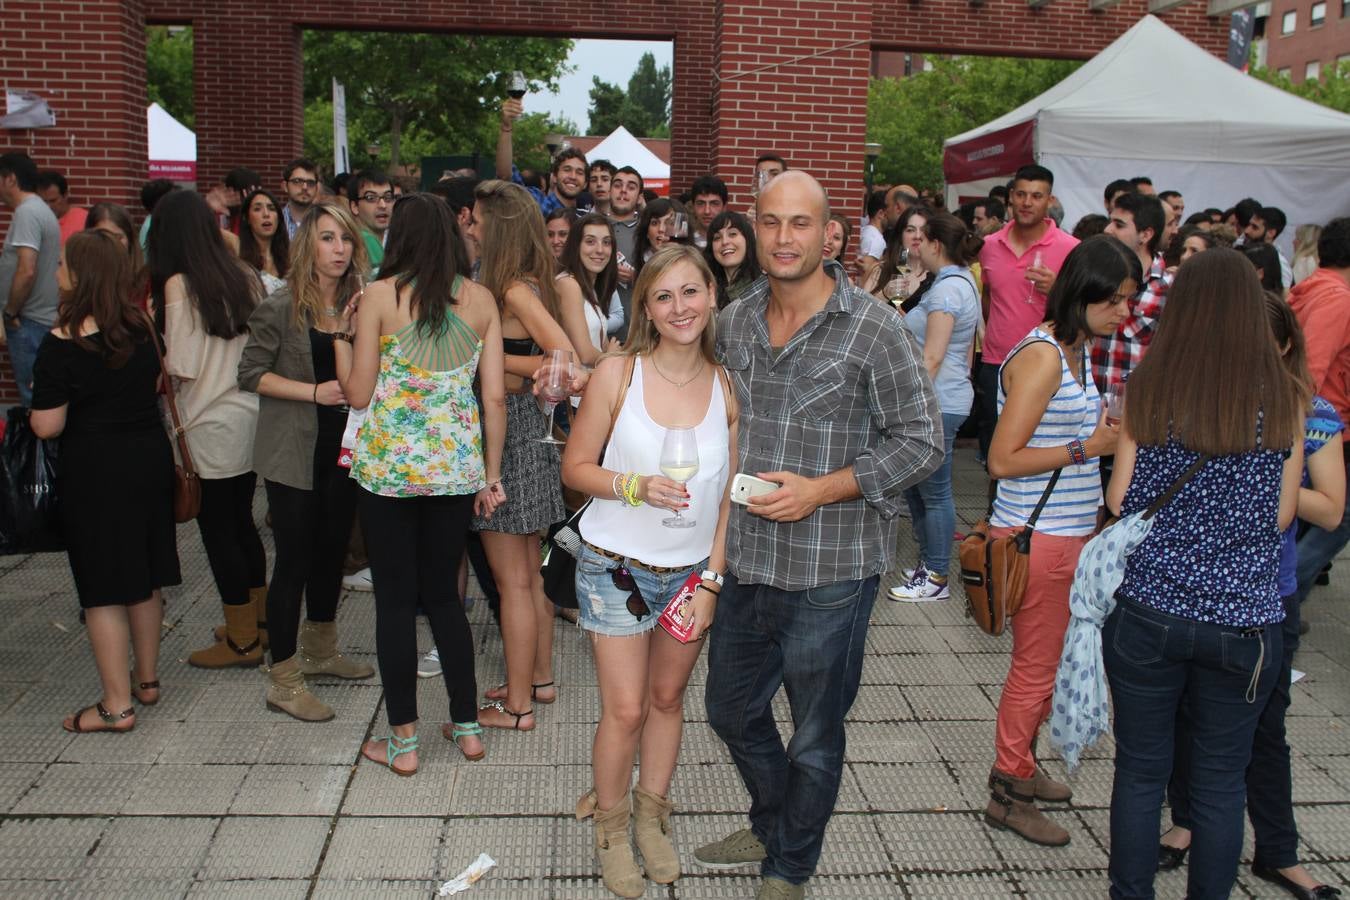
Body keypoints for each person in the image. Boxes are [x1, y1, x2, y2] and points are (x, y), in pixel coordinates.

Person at [696, 171, 942, 900]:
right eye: (770, 222)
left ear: (828, 232)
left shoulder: (873, 326)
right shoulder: (735, 320)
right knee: (731, 712)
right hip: (746, 561)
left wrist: (823, 490)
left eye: (799, 223)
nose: (782, 237)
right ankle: (777, 820)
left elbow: (923, 442)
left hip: (833, 571)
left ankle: (789, 866)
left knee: (813, 734)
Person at [1102, 247, 1304, 900]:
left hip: (1148, 611)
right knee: (1221, 782)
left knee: (1139, 772)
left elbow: (1120, 500)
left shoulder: (1151, 387)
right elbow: (1281, 517)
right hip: (1244, 621)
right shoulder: (1284, 400)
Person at [1157, 293, 1345, 900]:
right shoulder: (1207, 402)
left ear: (1285, 344)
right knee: (1188, 717)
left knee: (1266, 729)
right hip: (1200, 587)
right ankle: (1186, 823)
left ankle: (1279, 851)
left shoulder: (1310, 412)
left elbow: (1332, 507)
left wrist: (1268, 478)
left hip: (1272, 592)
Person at [562, 245, 735, 897]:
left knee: (668, 700)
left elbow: (729, 501)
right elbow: (575, 468)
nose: (679, 307)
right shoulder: (618, 373)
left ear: (712, 297)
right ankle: (611, 829)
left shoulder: (727, 383)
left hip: (692, 576)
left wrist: (714, 581)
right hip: (617, 571)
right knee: (627, 709)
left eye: (690, 292)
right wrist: (634, 486)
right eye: (663, 297)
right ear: (646, 309)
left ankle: (651, 815)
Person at [335, 192, 506, 775]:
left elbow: (357, 394)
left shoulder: (380, 297)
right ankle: (467, 728)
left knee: (394, 602)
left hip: (388, 473)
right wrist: (493, 472)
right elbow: (495, 396)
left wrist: (343, 330)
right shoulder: (481, 299)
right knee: (446, 600)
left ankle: (403, 745)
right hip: (455, 472)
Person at [982, 235, 1136, 845]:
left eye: (1130, 299)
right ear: (1086, 293)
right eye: (1117, 300)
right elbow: (999, 459)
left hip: (1066, 533)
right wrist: (1087, 449)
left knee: (1043, 667)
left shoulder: (1076, 352)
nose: (1125, 311)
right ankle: (1008, 788)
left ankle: (1023, 767)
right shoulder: (1046, 357)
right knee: (1034, 670)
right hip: (1036, 537)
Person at [30, 230, 181, 732]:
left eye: (62, 265)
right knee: (144, 574)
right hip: (149, 460)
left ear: (81, 274)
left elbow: (47, 425)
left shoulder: (61, 342)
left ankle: (115, 706)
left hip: (95, 469)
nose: (56, 273)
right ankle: (148, 680)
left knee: (102, 588)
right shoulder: (141, 325)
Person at [238, 200, 375, 723]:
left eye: (344, 239)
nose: (338, 249)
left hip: (345, 450)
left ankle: (321, 650)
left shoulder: (363, 303)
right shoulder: (281, 305)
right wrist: (313, 392)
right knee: (293, 559)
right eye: (326, 238)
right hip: (294, 449)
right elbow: (249, 373)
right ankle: (284, 676)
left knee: (332, 551)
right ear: (306, 244)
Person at [464, 179, 575, 732]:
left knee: (514, 581)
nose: (470, 226)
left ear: (496, 228)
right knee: (529, 576)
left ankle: (517, 708)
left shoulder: (511, 290)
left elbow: (566, 358)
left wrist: (501, 368)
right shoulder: (520, 285)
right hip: (526, 434)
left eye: (478, 219)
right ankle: (538, 680)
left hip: (508, 439)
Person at [146, 190, 268, 669]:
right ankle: (258, 623)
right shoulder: (244, 274)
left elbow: (182, 363)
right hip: (249, 416)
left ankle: (241, 642)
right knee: (243, 525)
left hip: (206, 424)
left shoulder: (180, 283)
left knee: (219, 533)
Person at [888, 212, 983, 602]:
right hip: (942, 399)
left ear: (936, 245)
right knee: (922, 489)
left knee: (935, 492)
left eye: (921, 239)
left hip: (936, 402)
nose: (916, 245)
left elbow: (933, 357)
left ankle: (937, 575)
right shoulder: (955, 283)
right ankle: (930, 565)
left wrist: (905, 403)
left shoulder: (947, 291)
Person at [976, 165, 1079, 467]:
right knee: (994, 457)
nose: (1027, 202)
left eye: (1036, 196)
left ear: (1050, 201)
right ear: (1010, 197)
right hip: (995, 364)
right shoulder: (990, 246)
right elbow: (988, 297)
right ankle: (996, 513)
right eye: (1021, 194)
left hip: (1048, 368)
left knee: (1037, 454)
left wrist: (1057, 289)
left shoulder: (1071, 249)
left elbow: (1083, 309)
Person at [1286, 219, 1350, 621]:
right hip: (1322, 428)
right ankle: (1284, 597)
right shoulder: (1336, 297)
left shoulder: (1311, 289)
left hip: (1315, 425)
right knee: (1334, 518)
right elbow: (1310, 371)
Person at [0, 151, 62, 407]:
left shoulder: (27, 213)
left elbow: (27, 269)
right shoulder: (38, 210)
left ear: (10, 179)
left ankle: (38, 449)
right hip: (37, 320)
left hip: (30, 321)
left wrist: (11, 312)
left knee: (35, 402)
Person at [1094, 190, 1169, 395]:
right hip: (1089, 406)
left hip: (1135, 408)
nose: (1108, 229)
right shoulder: (1096, 275)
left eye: (1119, 225)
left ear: (1146, 234)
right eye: (1110, 221)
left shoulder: (1169, 288)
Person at [496, 97, 587, 215]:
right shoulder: (538, 204)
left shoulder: (585, 218)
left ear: (585, 183)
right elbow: (505, 178)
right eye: (567, 169)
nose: (573, 176)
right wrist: (506, 128)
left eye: (579, 172)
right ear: (554, 176)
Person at [559, 212, 624, 360]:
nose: (600, 250)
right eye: (590, 241)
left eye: (606, 242)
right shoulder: (568, 284)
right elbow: (585, 355)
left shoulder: (591, 286)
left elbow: (601, 343)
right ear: (576, 246)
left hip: (595, 378)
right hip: (575, 380)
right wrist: (611, 356)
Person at [85, 203, 149, 307]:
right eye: (103, 237)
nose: (112, 243)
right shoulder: (79, 280)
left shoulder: (146, 283)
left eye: (118, 237)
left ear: (130, 240)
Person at [702, 210, 761, 309]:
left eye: (732, 234)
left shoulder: (762, 288)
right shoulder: (708, 289)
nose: (724, 242)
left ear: (748, 240)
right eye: (717, 238)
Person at [238, 189, 290, 294]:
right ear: (247, 218)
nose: (266, 214)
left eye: (271, 209)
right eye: (257, 209)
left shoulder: (291, 256)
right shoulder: (237, 253)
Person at [346, 169, 394, 273]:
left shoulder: (396, 240)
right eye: (371, 198)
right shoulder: (364, 240)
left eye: (388, 197)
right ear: (354, 206)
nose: (383, 205)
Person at [35, 170, 88, 245]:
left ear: (65, 195)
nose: (48, 206)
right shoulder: (34, 221)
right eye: (43, 201)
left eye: (53, 201)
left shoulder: (84, 219)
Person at [634, 198, 677, 275]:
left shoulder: (691, 264)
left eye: (670, 223)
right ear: (646, 231)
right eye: (655, 223)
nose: (661, 229)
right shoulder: (639, 265)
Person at [280, 158, 320, 238]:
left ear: (317, 188)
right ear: (285, 186)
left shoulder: (325, 221)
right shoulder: (274, 222)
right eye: (297, 181)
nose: (305, 187)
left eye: (310, 182)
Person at [689, 175, 727, 249]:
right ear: (693, 206)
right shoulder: (685, 243)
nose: (707, 211)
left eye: (714, 203)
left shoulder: (732, 243)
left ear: (724, 207)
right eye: (701, 203)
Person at [857, 190, 888, 281]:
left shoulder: (865, 231)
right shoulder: (876, 240)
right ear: (881, 214)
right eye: (889, 211)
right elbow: (865, 275)